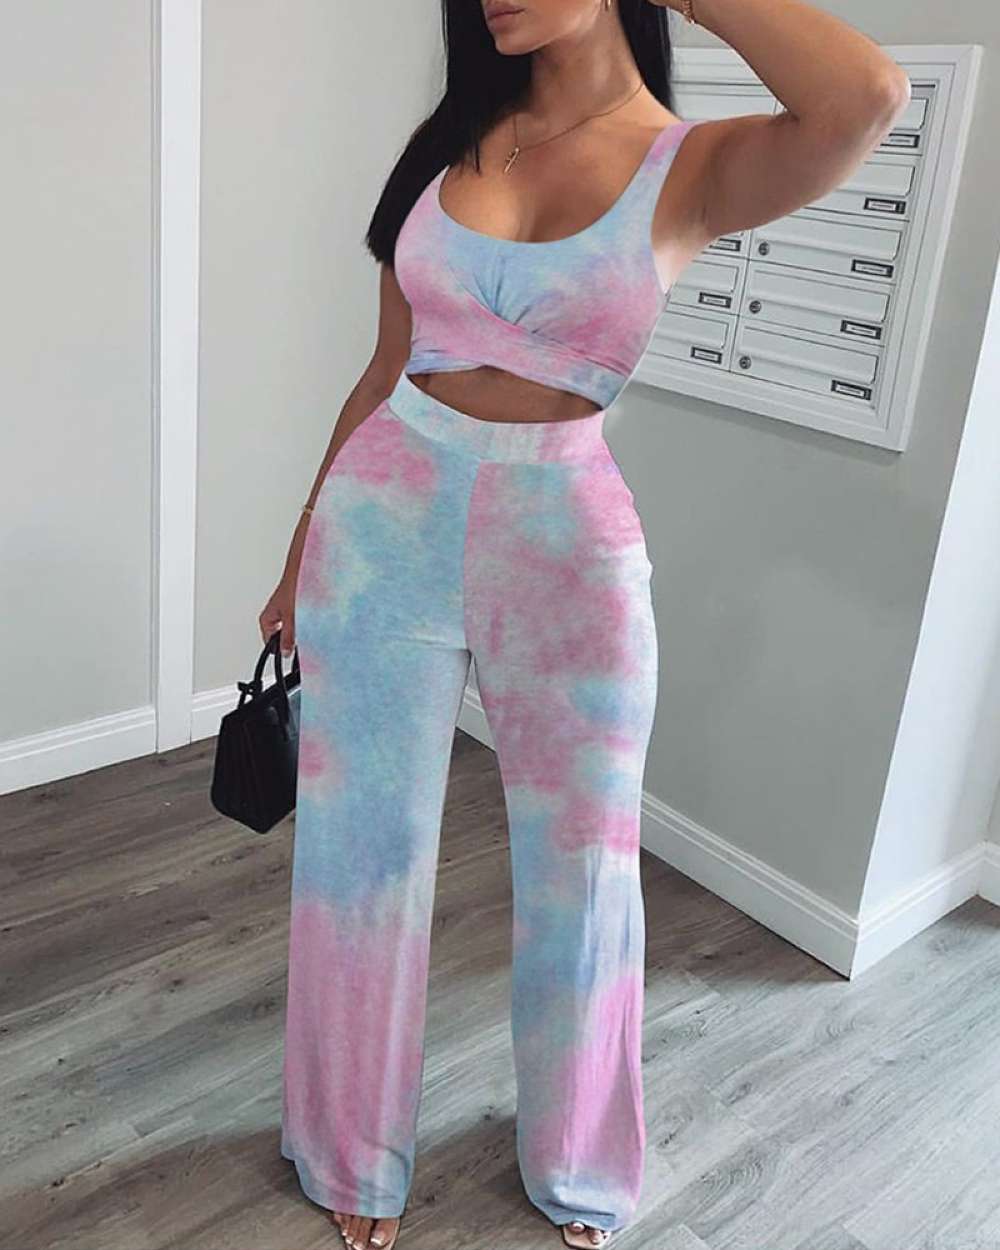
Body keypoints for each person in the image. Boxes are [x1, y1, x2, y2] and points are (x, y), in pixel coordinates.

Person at [259, 1, 910, 1246]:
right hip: (382, 527)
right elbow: (383, 370)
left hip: (565, 539)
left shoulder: (692, 163)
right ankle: (347, 1148)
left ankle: (579, 1159)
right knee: (358, 858)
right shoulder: (450, 143)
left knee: (587, 864)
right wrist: (300, 549)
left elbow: (864, 95)